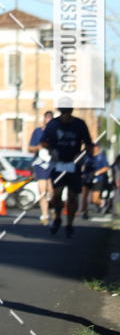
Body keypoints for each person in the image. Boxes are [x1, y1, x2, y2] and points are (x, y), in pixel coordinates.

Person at [40, 98, 93, 237]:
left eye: (67, 113)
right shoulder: (53, 124)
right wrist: (52, 150)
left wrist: (81, 155)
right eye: (63, 113)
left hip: (73, 165)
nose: (65, 116)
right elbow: (43, 142)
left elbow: (89, 145)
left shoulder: (80, 125)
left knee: (73, 196)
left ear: (71, 112)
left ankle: (69, 224)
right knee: (57, 193)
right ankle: (57, 217)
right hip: (58, 164)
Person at [28, 110, 54, 225]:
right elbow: (30, 148)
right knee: (41, 190)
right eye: (46, 121)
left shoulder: (56, 133)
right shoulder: (37, 132)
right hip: (40, 163)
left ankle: (52, 206)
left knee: (51, 189)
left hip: (52, 163)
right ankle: (44, 215)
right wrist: (39, 147)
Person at [89, 144, 111, 213]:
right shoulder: (90, 156)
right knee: (90, 199)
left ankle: (103, 203)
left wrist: (98, 172)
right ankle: (100, 205)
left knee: (94, 199)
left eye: (96, 148)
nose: (94, 149)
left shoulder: (101, 157)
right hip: (90, 179)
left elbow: (106, 167)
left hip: (99, 179)